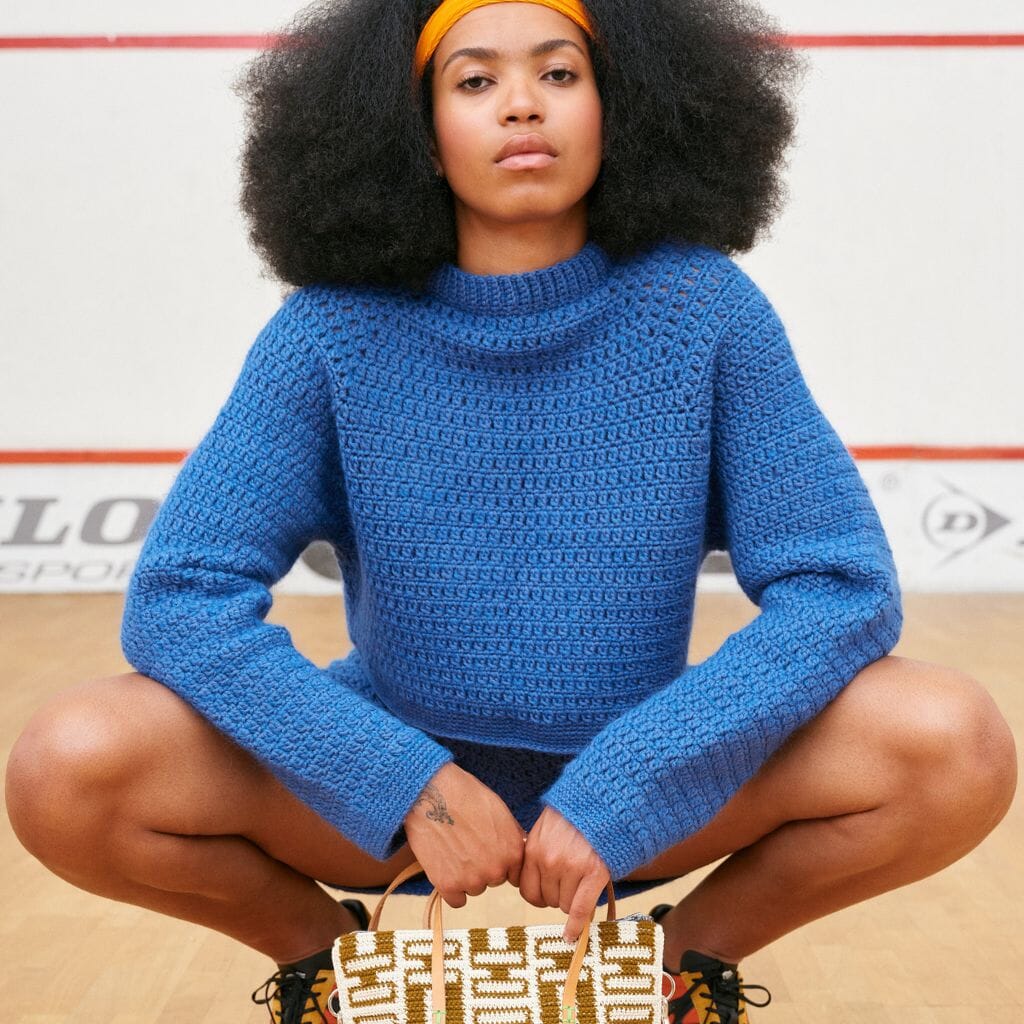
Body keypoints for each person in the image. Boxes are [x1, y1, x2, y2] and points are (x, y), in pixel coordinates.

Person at [5, 0, 1017, 1022]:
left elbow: (839, 589)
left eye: (560, 74)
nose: (522, 106)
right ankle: (323, 967)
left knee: (953, 742)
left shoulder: (704, 311)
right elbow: (180, 597)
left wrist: (629, 779)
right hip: (384, 792)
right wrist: (405, 781)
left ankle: (683, 970)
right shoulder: (328, 333)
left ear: (620, 106)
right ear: (416, 131)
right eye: (475, 80)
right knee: (68, 765)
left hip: (649, 775)